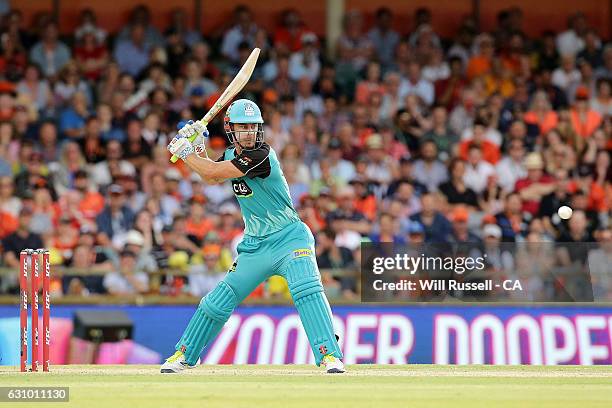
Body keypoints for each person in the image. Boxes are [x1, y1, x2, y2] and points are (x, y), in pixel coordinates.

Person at [164, 99, 344, 374]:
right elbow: (211, 176)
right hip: (256, 246)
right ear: (231, 130)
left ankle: (330, 355)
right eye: (242, 127)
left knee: (306, 290)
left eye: (253, 126)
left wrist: (186, 151)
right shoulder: (229, 156)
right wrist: (198, 144)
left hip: (290, 238)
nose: (249, 132)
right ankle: (184, 354)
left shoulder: (261, 155)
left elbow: (211, 171)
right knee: (218, 301)